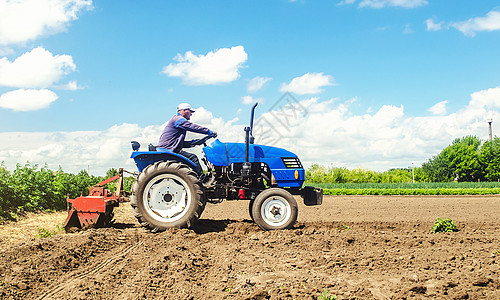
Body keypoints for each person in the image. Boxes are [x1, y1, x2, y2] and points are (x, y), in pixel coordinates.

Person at [157, 102, 215, 173]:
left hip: (169, 147)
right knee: (193, 158)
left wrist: (193, 143)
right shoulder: (178, 119)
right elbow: (192, 127)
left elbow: (179, 143)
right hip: (168, 149)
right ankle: (202, 179)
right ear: (183, 110)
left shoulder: (177, 120)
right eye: (190, 111)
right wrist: (208, 131)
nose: (191, 114)